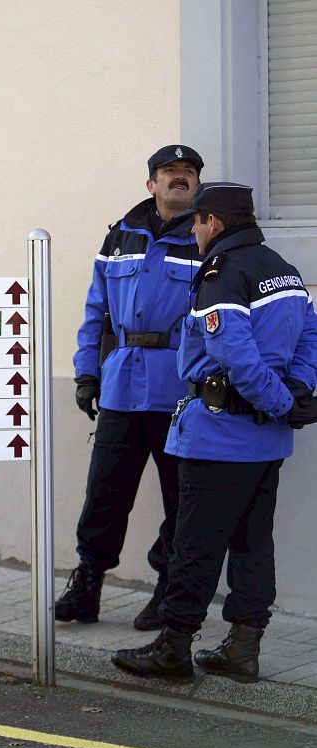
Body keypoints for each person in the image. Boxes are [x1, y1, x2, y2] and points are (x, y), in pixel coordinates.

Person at [112, 182, 317, 682]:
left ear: (214, 223)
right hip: (267, 441)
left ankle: (173, 647)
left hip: (220, 434)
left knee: (194, 546)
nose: (195, 232)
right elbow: (310, 335)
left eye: (197, 223)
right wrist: (296, 390)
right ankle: (242, 649)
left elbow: (236, 355)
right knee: (252, 545)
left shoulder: (222, 273)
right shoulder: (282, 270)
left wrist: (277, 399)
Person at [55, 145, 204, 628]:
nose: (178, 178)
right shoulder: (120, 237)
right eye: (169, 172)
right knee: (104, 494)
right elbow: (96, 313)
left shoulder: (205, 239)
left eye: (187, 172)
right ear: (151, 184)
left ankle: (168, 588)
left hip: (179, 393)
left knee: (180, 498)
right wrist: (87, 372)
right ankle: (89, 583)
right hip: (121, 386)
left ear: (196, 184)